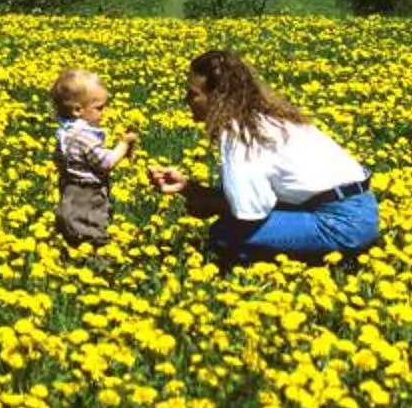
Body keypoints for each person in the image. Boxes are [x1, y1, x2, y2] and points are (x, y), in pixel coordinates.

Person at [146, 49, 380, 267]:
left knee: (226, 233)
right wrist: (188, 188)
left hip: (340, 223)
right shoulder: (264, 119)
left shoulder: (241, 135)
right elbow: (261, 200)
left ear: (217, 97)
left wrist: (203, 201)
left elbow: (249, 212)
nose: (186, 100)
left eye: (193, 94)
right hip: (361, 210)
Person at [50, 66, 139, 249]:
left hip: (68, 187)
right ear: (78, 110)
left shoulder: (64, 132)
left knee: (71, 225)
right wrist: (123, 145)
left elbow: (57, 159)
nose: (103, 113)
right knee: (92, 231)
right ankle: (96, 259)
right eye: (99, 108)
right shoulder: (84, 136)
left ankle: (70, 248)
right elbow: (106, 163)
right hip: (88, 193)